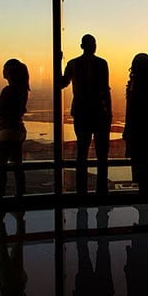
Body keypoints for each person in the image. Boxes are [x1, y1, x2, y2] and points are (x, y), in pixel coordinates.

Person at [59, 34, 112, 197]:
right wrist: (109, 113)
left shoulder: (73, 64)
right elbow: (105, 90)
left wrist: (58, 62)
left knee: (82, 153)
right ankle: (101, 191)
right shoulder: (101, 63)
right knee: (102, 154)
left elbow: (61, 83)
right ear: (94, 46)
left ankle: (81, 191)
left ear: (82, 46)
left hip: (81, 112)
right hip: (98, 113)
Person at [0, 59, 29, 200]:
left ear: (10, 72)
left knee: (0, 167)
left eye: (5, 68)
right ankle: (20, 196)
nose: (3, 71)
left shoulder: (9, 90)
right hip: (19, 129)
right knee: (17, 166)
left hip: (7, 130)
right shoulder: (23, 90)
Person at [123, 53, 148, 196]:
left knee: (139, 163)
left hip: (137, 131)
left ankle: (144, 195)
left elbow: (130, 110)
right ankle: (147, 194)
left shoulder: (134, 84)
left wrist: (127, 129)